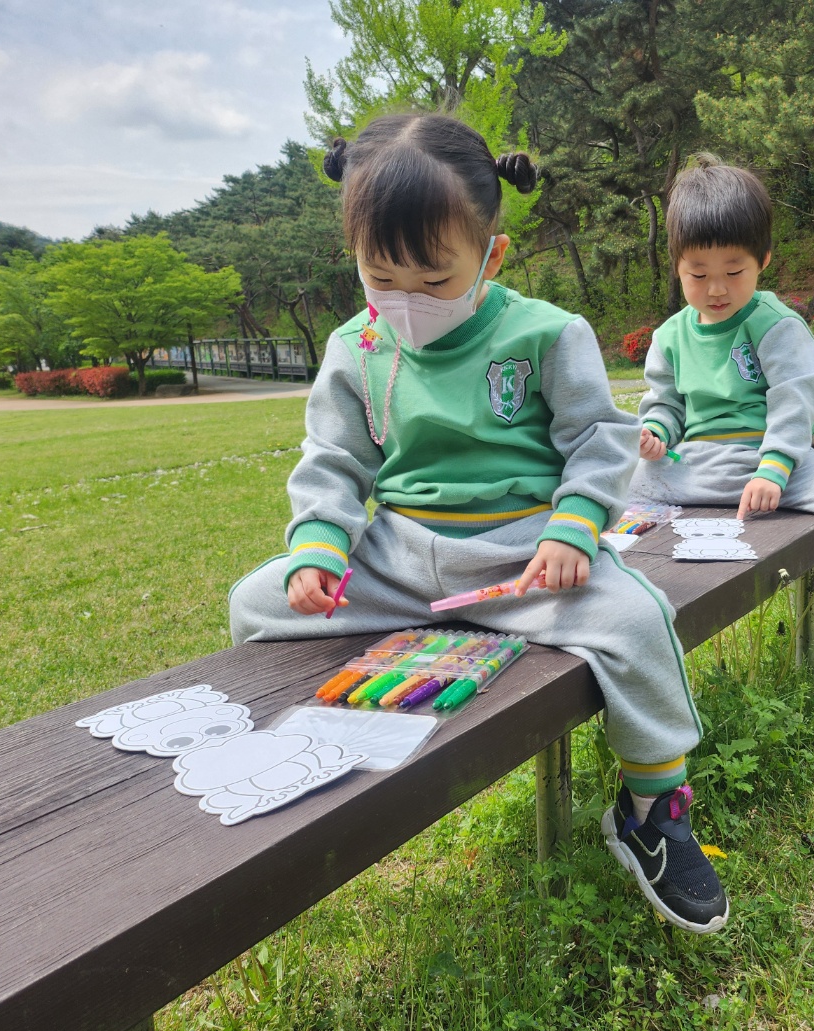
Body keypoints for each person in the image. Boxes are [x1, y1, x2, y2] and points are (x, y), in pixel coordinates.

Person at [229, 113, 729, 934]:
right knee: (256, 600)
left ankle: (653, 806)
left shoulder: (544, 333)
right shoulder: (354, 346)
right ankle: (301, 755)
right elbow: (333, 461)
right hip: (397, 556)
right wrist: (317, 549)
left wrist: (573, 529)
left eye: (432, 282)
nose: (405, 303)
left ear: (489, 256)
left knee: (639, 620)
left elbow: (599, 441)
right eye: (380, 278)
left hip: (526, 560)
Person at [630, 156, 814, 695]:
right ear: (677, 266)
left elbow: (794, 402)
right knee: (605, 477)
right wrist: (656, 436)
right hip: (696, 467)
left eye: (733, 272)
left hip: (774, 466)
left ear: (762, 260)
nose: (716, 289)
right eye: (698, 274)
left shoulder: (775, 324)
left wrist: (775, 467)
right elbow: (666, 404)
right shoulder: (669, 335)